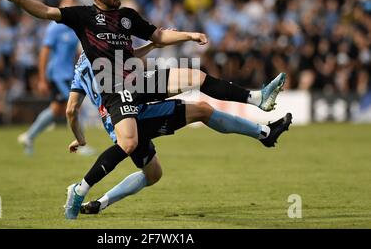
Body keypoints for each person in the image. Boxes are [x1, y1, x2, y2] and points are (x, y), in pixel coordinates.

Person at [0, 0, 286, 220]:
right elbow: (46, 11)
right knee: (131, 143)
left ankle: (256, 99)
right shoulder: (82, 18)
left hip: (137, 82)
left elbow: (157, 35)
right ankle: (80, 190)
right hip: (115, 90)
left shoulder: (127, 17)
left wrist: (188, 35)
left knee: (194, 78)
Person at [65, 49, 292, 215]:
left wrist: (79, 137)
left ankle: (99, 204)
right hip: (134, 113)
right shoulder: (102, 50)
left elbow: (71, 110)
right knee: (202, 109)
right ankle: (263, 131)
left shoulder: (81, 67)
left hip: (117, 123)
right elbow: (130, 61)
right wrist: (163, 41)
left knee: (153, 174)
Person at [17, 0, 94, 156]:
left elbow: (74, 53)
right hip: (58, 75)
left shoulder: (74, 27)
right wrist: (42, 79)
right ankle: (82, 145)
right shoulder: (55, 27)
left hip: (68, 73)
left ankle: (29, 136)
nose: (71, 6)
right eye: (67, 4)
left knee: (57, 110)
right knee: (74, 107)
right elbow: (44, 52)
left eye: (73, 3)